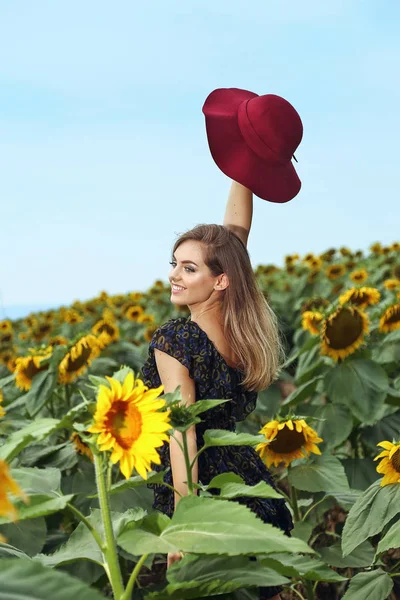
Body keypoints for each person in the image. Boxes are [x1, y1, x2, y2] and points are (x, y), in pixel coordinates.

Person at [141, 88, 303, 600]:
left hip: (204, 496)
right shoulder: (240, 329)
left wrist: (188, 525)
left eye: (187, 268)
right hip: (248, 488)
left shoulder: (177, 340)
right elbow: (235, 232)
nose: (173, 276)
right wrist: (246, 156)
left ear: (218, 281)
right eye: (174, 263)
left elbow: (181, 432)